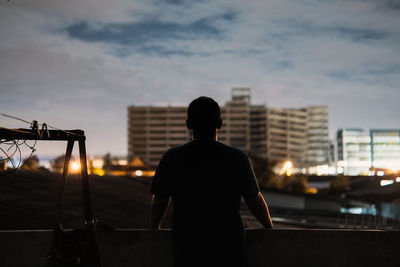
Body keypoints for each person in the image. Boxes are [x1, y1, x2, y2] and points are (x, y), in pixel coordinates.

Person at [149, 96, 273, 267]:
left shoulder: (172, 158)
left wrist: (154, 229)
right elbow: (255, 200)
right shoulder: (237, 158)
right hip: (229, 248)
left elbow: (159, 202)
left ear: (188, 124)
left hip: (187, 248)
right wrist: (270, 228)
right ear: (220, 123)